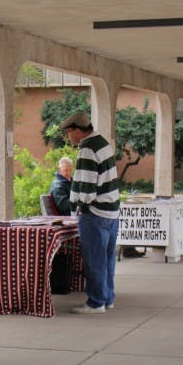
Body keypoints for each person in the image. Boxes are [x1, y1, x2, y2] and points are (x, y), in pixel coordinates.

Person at [59, 111, 120, 314]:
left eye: (69, 132)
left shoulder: (87, 148)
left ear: (78, 131)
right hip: (111, 211)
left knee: (94, 259)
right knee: (107, 258)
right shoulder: (102, 142)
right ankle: (107, 297)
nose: (68, 137)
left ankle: (95, 302)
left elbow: (86, 185)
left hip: (95, 212)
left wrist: (78, 207)